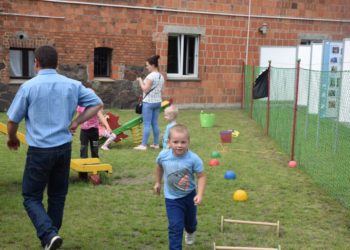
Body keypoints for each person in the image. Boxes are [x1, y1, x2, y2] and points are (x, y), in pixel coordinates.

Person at [6, 45, 102, 250]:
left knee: (31, 196)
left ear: (36, 63)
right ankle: (50, 238)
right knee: (57, 196)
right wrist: (76, 122)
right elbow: (97, 103)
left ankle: (49, 235)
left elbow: (13, 120)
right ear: (57, 63)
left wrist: (12, 138)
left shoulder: (28, 87)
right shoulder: (72, 85)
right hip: (63, 149)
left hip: (39, 151)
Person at [154, 124, 206, 250]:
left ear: (188, 142)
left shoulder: (193, 159)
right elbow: (159, 167)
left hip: (189, 197)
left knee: (190, 223)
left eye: (183, 142)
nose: (179, 145)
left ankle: (191, 231)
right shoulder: (163, 156)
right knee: (175, 226)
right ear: (169, 142)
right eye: (175, 142)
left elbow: (201, 176)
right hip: (171, 199)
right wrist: (158, 182)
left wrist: (199, 194)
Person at [134, 55, 164, 151]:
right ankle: (156, 144)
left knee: (147, 124)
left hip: (148, 103)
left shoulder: (150, 76)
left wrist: (140, 81)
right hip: (158, 102)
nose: (146, 67)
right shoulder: (161, 76)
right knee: (155, 123)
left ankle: (143, 145)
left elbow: (145, 89)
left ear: (153, 65)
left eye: (147, 65)